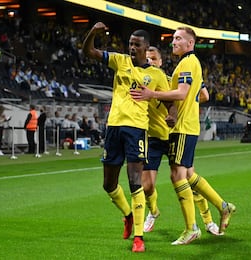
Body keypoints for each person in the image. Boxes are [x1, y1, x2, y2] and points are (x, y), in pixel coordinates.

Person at [131, 26, 236, 245]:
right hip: (181, 127)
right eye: (173, 39)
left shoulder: (188, 63)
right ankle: (222, 207)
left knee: (177, 175)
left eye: (178, 38)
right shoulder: (186, 64)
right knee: (187, 174)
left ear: (190, 43)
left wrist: (153, 94)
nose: (173, 42)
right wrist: (188, 103)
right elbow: (201, 94)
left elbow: (181, 93)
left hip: (182, 129)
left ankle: (192, 228)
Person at [82, 22, 171, 252]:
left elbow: (171, 101)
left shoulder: (156, 75)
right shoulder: (119, 61)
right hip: (113, 128)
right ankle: (129, 216)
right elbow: (89, 52)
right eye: (130, 44)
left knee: (134, 182)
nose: (132, 48)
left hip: (136, 130)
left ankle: (139, 238)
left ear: (146, 48)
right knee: (108, 184)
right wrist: (92, 33)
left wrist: (171, 116)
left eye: (136, 45)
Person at [142, 46, 221, 236]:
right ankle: (153, 212)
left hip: (173, 136)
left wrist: (184, 107)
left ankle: (208, 220)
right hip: (152, 138)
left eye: (154, 59)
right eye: (148, 59)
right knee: (147, 185)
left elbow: (203, 95)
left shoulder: (170, 82)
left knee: (187, 179)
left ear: (161, 62)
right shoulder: (140, 84)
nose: (151, 62)